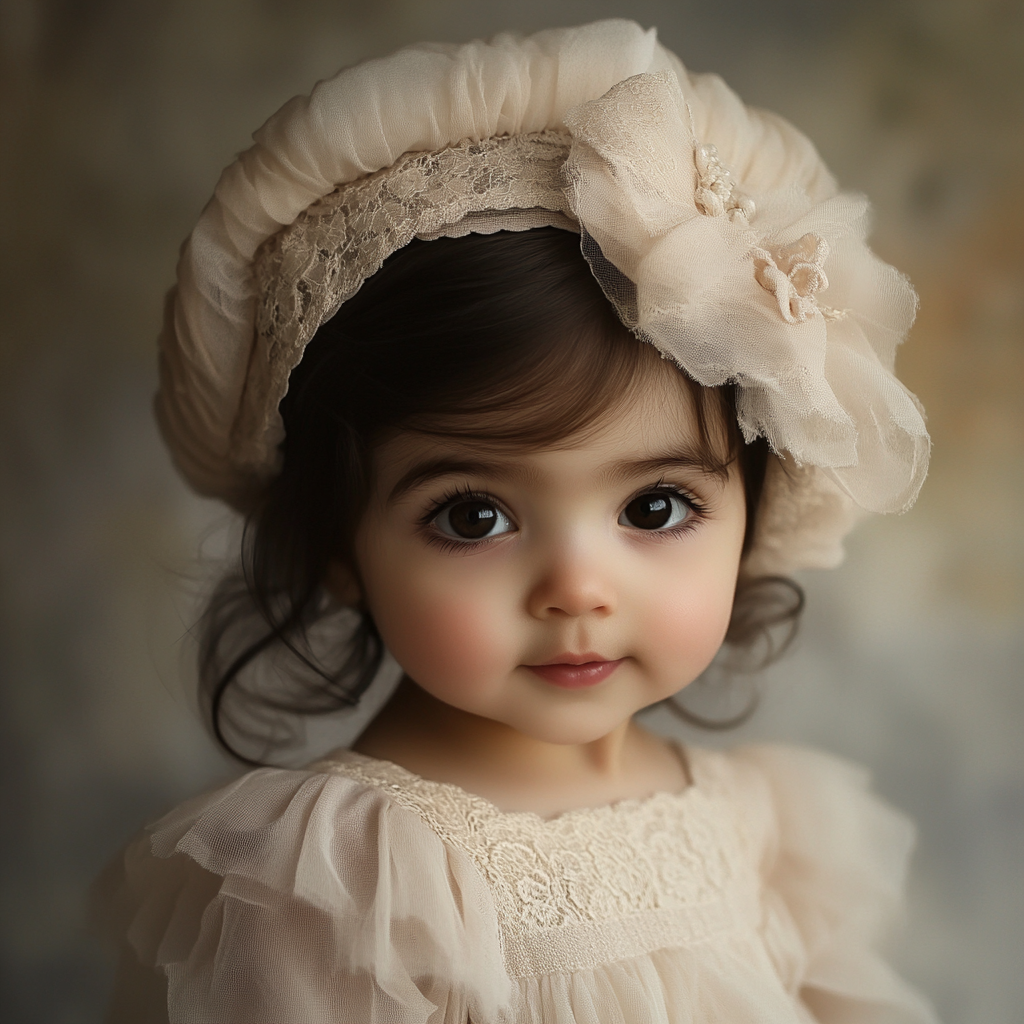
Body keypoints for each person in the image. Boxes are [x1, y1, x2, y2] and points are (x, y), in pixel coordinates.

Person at [100, 19, 939, 1024]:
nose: (575, 587)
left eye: (655, 506)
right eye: (473, 514)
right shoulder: (337, 886)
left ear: (751, 512)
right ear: (336, 545)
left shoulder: (766, 830)